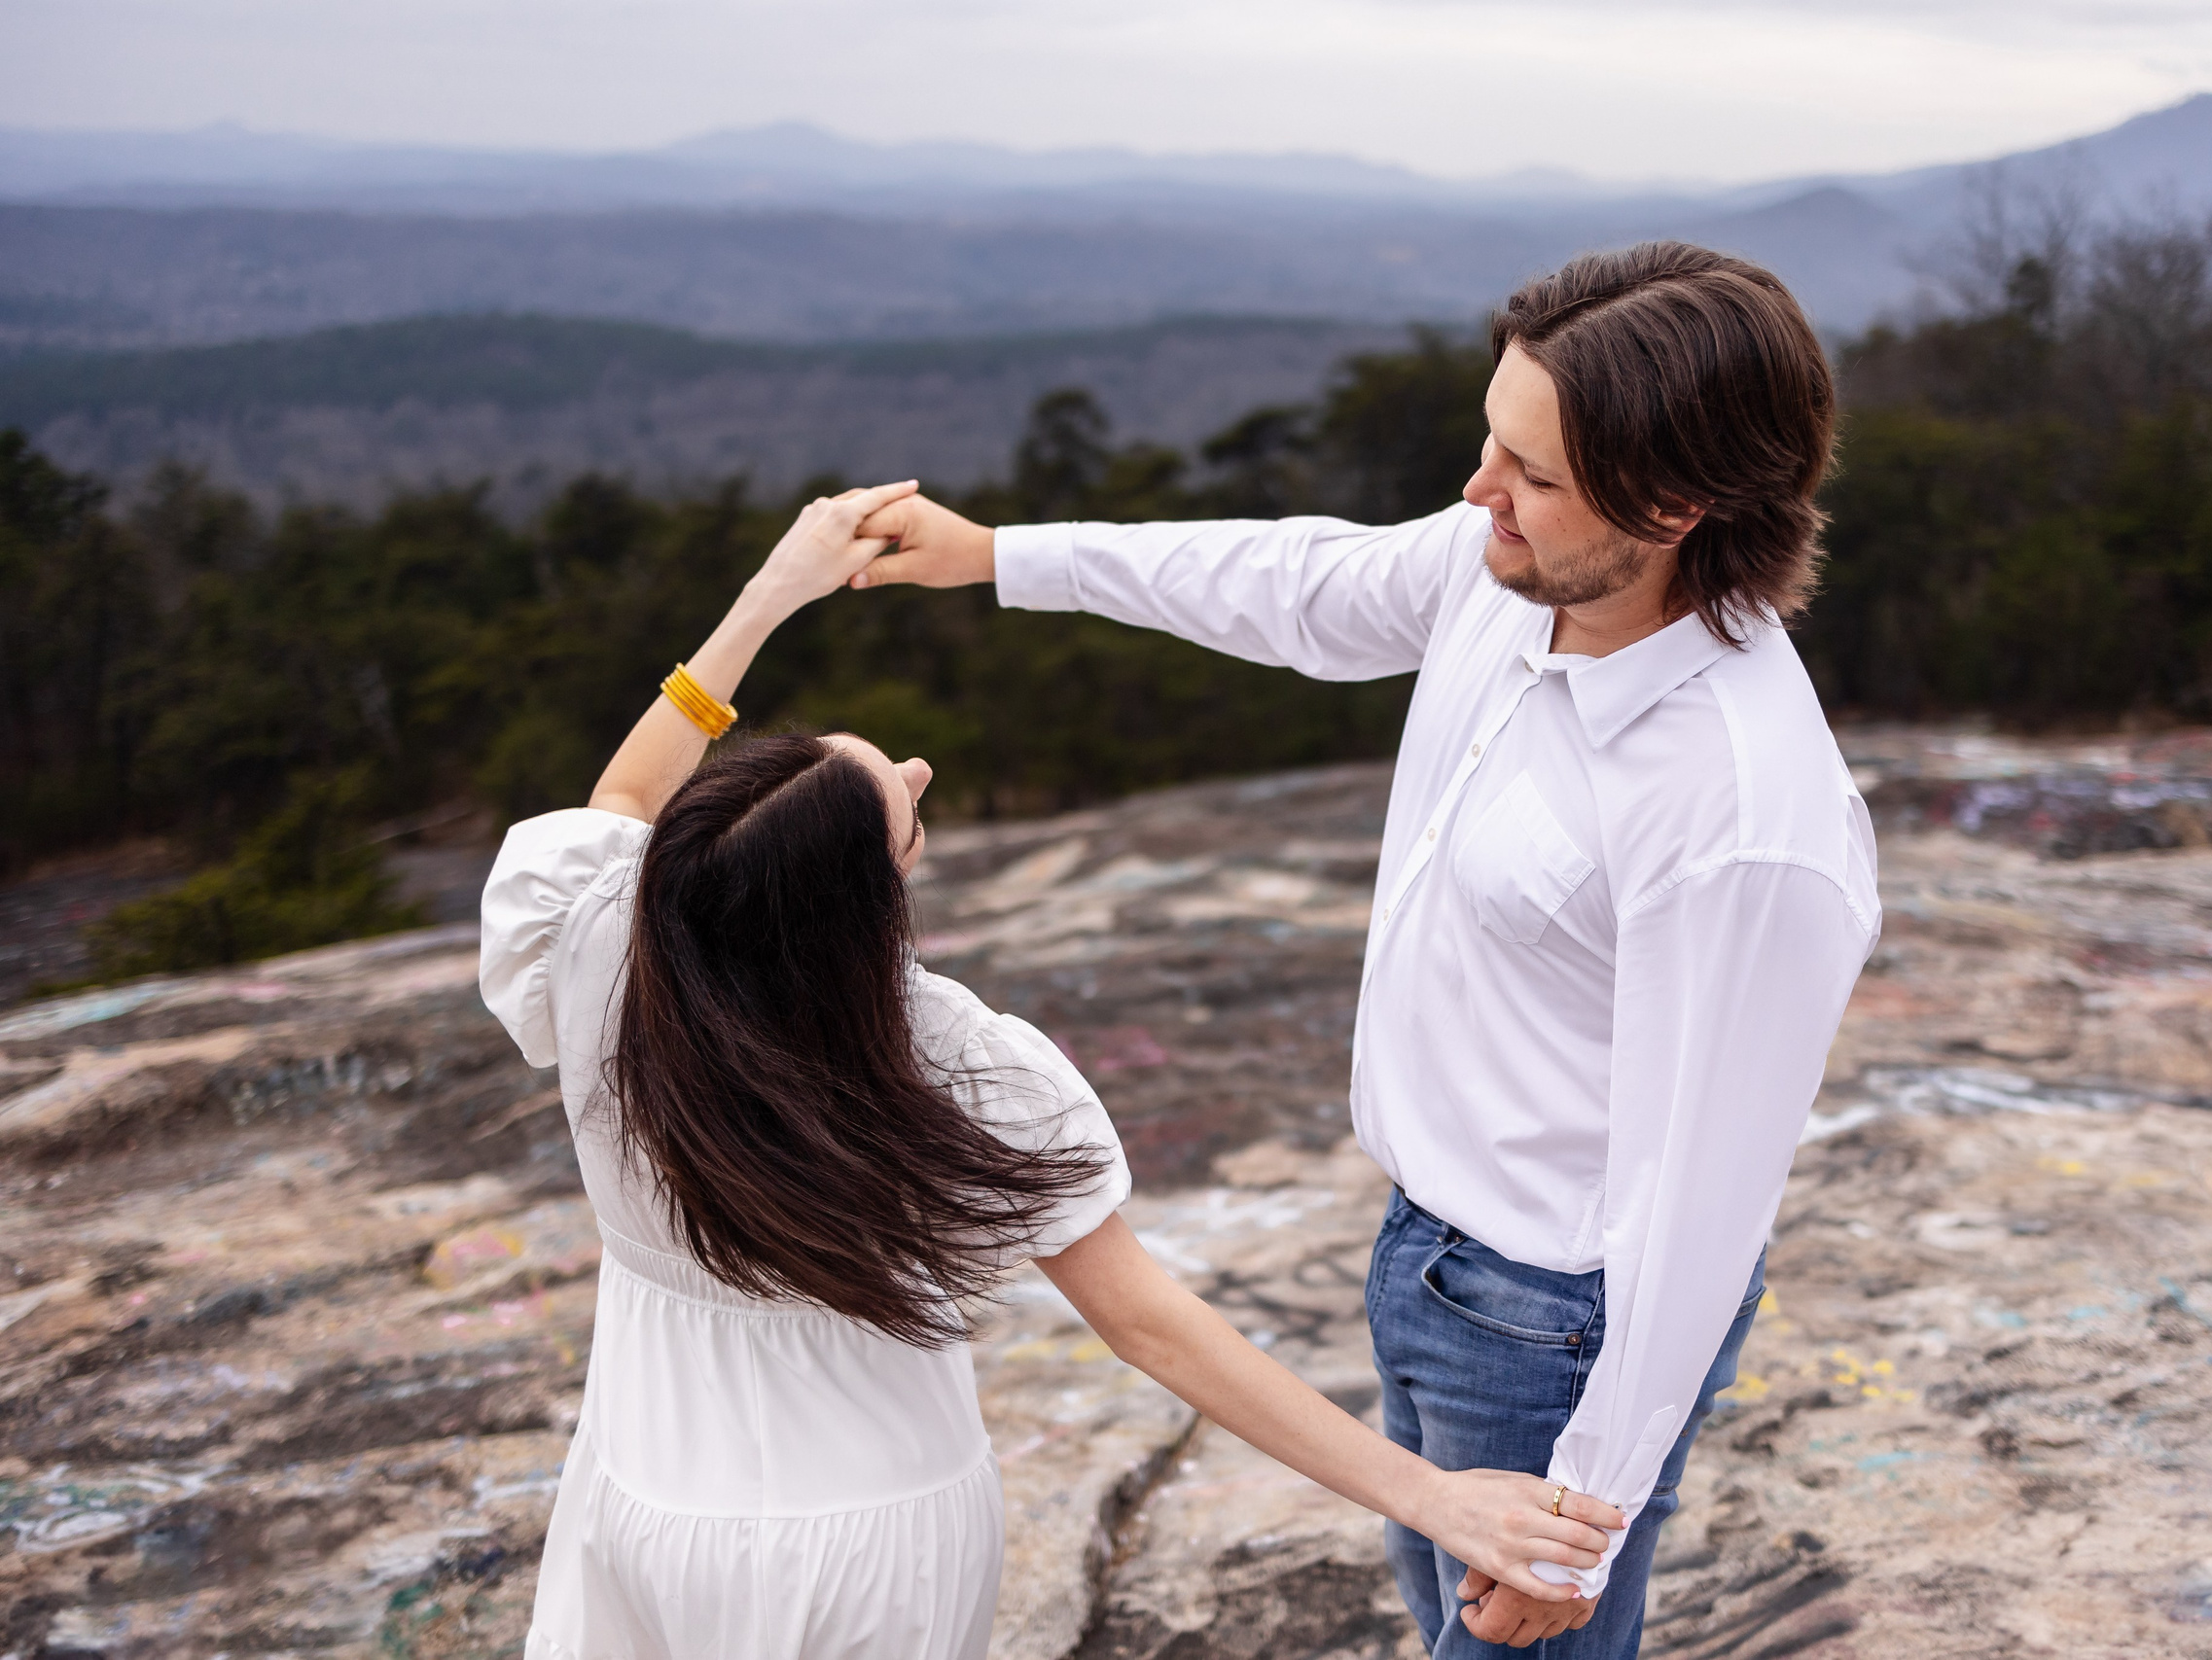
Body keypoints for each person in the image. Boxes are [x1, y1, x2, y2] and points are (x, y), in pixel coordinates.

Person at [849, 241, 1881, 1653]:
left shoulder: (1743, 810)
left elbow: (1702, 1199)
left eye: (1531, 473)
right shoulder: (1510, 573)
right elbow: (1297, 583)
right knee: (1433, 1608)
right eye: (1490, 443)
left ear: (1676, 501)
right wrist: (1000, 557)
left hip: (1554, 1324)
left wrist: (1590, 1510)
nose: (1477, 494)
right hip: (1429, 1257)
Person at [477, 481, 1621, 1660]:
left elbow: (624, 796)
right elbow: (1151, 1328)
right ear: (858, 919)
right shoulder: (958, 1063)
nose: (920, 771)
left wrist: (773, 594)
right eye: (898, 813)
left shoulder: (602, 938)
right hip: (870, 1543)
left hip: (641, 1499)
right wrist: (1430, 1496)